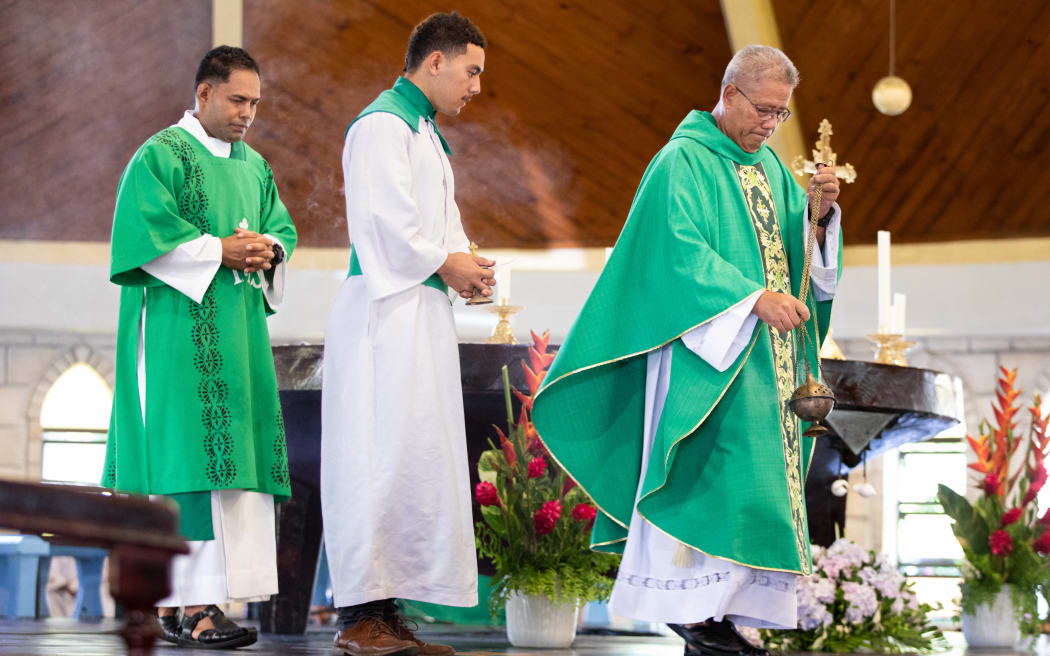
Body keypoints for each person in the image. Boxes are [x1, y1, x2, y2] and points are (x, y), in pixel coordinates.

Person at [531, 45, 844, 655]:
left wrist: (821, 217)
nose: (770, 125)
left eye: (781, 115)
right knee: (705, 475)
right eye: (763, 110)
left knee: (751, 487)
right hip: (706, 357)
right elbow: (675, 253)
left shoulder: (772, 169)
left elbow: (794, 260)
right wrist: (753, 299)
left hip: (766, 363)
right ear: (729, 95)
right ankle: (689, 610)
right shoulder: (682, 160)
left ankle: (723, 612)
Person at [103, 45, 297, 650]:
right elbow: (145, 235)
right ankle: (190, 605)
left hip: (238, 338)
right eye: (238, 100)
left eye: (256, 104)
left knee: (232, 467)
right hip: (174, 336)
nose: (248, 114)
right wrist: (221, 250)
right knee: (186, 463)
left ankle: (199, 602)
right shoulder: (159, 156)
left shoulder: (254, 166)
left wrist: (269, 250)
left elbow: (281, 228)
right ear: (205, 93)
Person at [320, 12, 493, 656]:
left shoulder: (426, 134)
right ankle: (357, 617)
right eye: (472, 71)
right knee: (373, 458)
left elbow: (441, 228)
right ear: (437, 61)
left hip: (417, 313)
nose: (476, 86)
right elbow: (385, 221)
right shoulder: (380, 126)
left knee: (410, 461)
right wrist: (447, 262)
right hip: (380, 314)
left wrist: (466, 268)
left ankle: (387, 614)